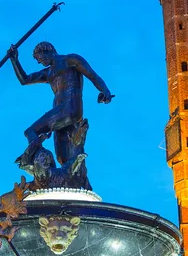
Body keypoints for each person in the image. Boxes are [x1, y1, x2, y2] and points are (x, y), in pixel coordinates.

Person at [9, 42, 114, 181]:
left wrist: (104, 90)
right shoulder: (48, 72)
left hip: (69, 108)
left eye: (39, 57)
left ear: (46, 50)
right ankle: (72, 180)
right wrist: (14, 60)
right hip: (59, 113)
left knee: (30, 131)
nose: (39, 62)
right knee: (63, 157)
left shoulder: (70, 60)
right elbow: (25, 79)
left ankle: (41, 159)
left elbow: (93, 76)